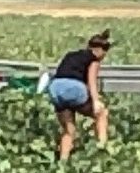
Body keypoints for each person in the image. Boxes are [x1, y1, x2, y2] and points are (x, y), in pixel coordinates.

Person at [47, 32, 112, 160]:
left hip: (56, 88)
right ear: (100, 50)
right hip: (74, 88)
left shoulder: (70, 55)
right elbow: (91, 81)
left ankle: (63, 162)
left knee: (69, 130)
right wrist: (95, 101)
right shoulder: (94, 59)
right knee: (101, 113)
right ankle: (102, 150)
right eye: (104, 54)